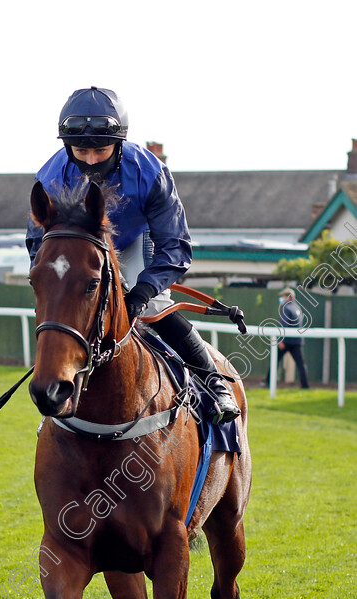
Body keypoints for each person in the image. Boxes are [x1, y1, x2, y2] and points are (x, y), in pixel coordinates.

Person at [26, 86, 240, 424]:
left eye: (101, 150)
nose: (91, 159)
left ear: (120, 143)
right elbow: (39, 245)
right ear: (68, 146)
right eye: (81, 150)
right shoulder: (50, 177)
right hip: (81, 248)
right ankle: (56, 384)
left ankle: (214, 381)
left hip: (132, 244)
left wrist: (144, 289)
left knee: (154, 307)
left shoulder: (150, 172)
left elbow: (175, 245)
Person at [264, 288, 310, 389]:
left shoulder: (286, 308)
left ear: (288, 297)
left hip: (286, 341)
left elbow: (283, 325)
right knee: (301, 364)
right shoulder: (297, 308)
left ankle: (268, 383)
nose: (281, 298)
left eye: (283, 296)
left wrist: (281, 340)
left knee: (274, 361)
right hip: (297, 340)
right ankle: (305, 386)